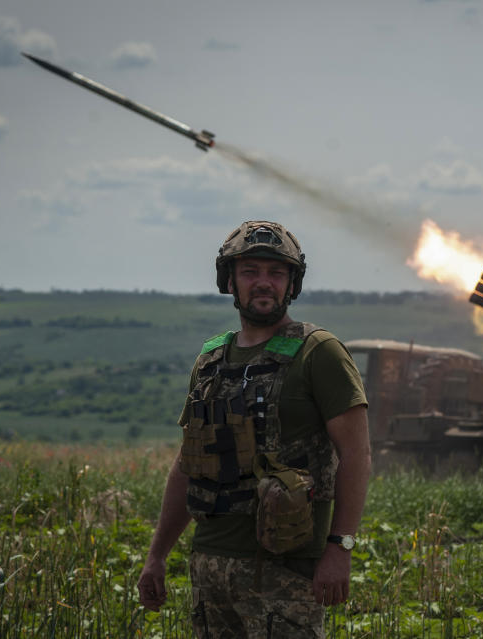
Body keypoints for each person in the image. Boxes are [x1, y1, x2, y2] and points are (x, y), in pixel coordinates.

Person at [137, 221, 371, 638]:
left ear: (292, 283)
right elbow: (186, 463)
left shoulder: (320, 353)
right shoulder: (210, 361)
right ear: (229, 280)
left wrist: (340, 548)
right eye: (250, 272)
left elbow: (357, 456)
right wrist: (157, 555)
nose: (263, 283)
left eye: (276, 273)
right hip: (210, 566)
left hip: (285, 571)